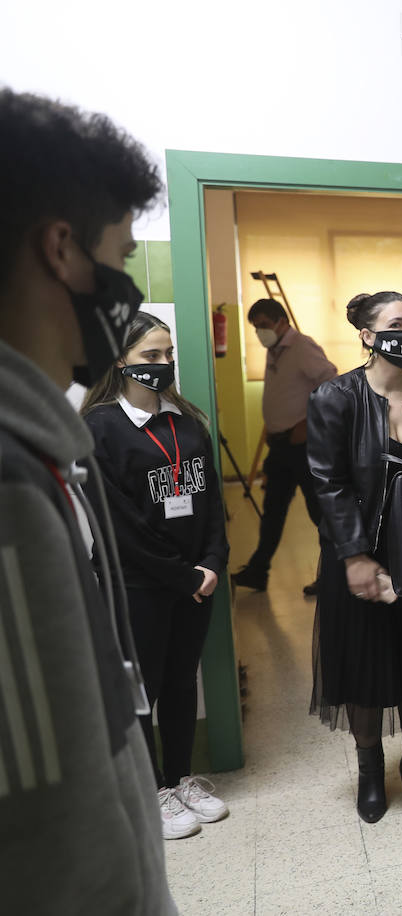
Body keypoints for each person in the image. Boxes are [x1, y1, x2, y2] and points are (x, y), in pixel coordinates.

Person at [0, 88, 176, 913]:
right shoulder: (11, 483)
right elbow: (49, 816)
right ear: (62, 250)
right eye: (123, 255)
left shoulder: (40, 442)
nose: (127, 290)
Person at [305, 290, 402, 823]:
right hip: (361, 555)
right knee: (366, 667)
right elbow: (327, 485)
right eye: (397, 323)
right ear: (368, 335)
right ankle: (371, 772)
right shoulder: (336, 397)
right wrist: (354, 556)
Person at [82, 311, 233, 839]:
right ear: (120, 360)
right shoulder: (98, 427)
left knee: (178, 681)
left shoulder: (184, 419)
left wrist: (213, 562)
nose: (163, 364)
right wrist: (184, 577)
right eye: (150, 356)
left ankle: (180, 777)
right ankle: (151, 791)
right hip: (140, 585)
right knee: (142, 686)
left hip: (197, 580)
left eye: (168, 354)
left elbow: (212, 499)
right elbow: (117, 527)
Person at [232, 297, 336, 595]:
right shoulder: (275, 349)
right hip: (280, 447)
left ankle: (334, 575)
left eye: (263, 325)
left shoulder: (302, 346)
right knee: (273, 510)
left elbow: (330, 383)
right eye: (255, 327)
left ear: (280, 321)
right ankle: (257, 570)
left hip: (305, 447)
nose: (259, 332)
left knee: (321, 513)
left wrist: (308, 423)